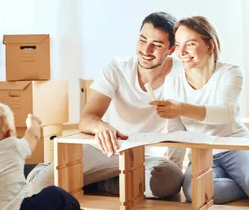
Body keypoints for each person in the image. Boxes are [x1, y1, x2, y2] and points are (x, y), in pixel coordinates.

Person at [150, 16, 249, 207]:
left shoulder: (231, 73)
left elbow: (225, 112)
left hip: (237, 147)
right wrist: (176, 169)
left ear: (209, 45)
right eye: (178, 45)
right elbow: (176, 130)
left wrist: (181, 108)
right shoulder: (173, 81)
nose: (182, 52)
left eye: (191, 44)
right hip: (203, 153)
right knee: (195, 194)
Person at [26, 12, 184, 198]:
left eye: (156, 45)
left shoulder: (180, 75)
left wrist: (176, 170)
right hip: (107, 150)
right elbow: (86, 118)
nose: (146, 50)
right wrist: (102, 127)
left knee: (169, 181)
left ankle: (96, 182)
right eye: (142, 40)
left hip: (145, 157)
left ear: (171, 50)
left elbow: (180, 130)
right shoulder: (117, 68)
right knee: (41, 185)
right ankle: (49, 172)